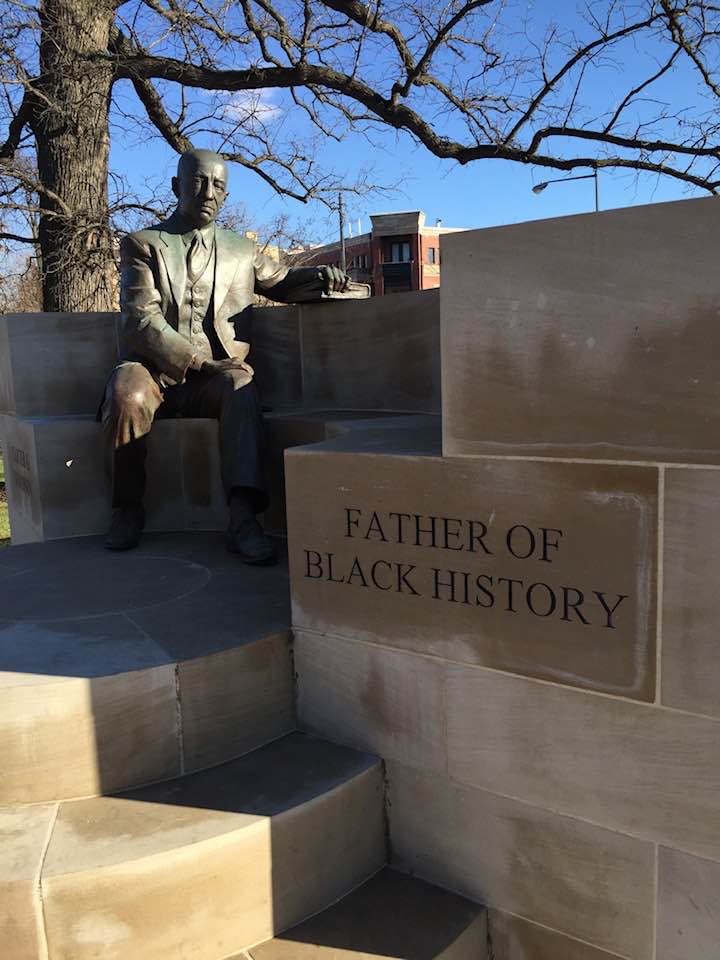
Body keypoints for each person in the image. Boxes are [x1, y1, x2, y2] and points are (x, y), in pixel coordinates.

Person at [100, 148, 350, 563]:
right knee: (127, 395)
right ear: (178, 186)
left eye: (218, 185)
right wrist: (198, 361)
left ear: (226, 195)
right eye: (198, 181)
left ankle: (242, 519)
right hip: (154, 371)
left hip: (217, 379)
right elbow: (140, 321)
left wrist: (320, 276)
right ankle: (127, 508)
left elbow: (283, 281)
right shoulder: (143, 244)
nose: (208, 192)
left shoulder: (241, 250)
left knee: (242, 385)